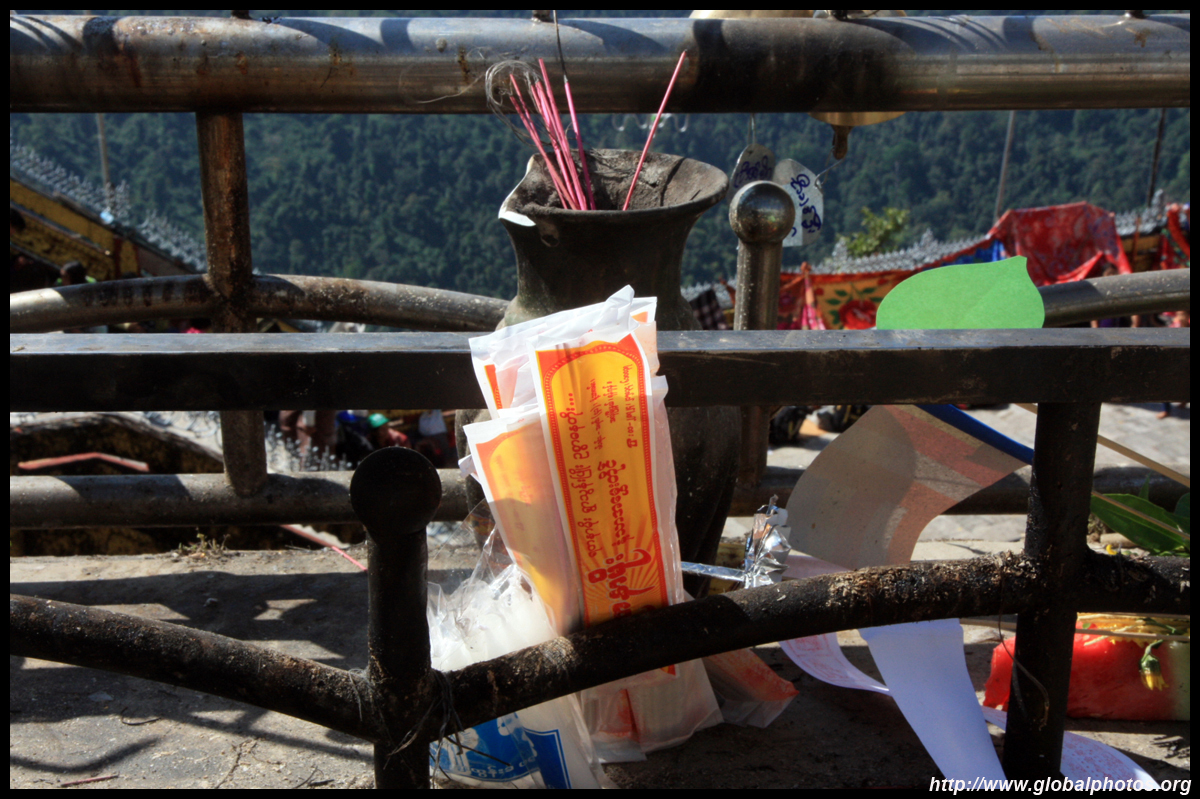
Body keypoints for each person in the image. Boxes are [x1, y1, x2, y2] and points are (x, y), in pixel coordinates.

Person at [1157, 310, 1190, 419]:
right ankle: (1165, 409)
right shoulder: (1174, 325)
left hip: (1185, 361)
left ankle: (1184, 401)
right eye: (1179, 314)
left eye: (1182, 314)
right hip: (1173, 359)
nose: (1180, 316)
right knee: (1165, 384)